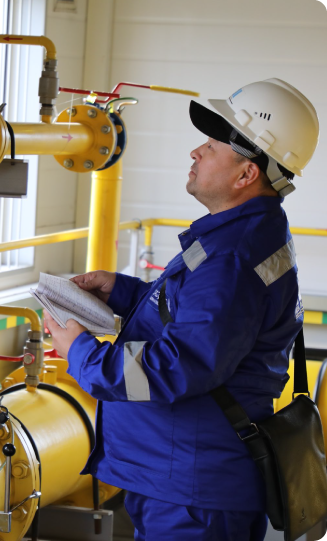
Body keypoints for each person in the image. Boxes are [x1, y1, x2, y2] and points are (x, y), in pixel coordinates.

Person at [43, 78, 319, 541]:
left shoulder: (233, 256)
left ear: (246, 174)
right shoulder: (241, 235)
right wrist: (125, 293)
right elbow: (201, 314)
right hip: (181, 477)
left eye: (211, 147)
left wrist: (82, 353)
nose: (196, 152)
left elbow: (178, 366)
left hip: (192, 491)